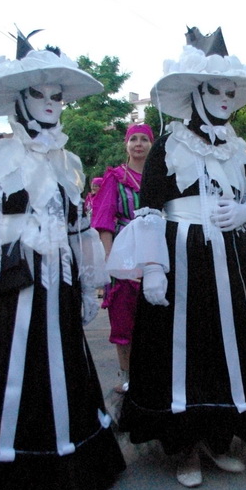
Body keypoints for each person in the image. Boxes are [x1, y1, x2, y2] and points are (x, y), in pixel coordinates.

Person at [0, 30, 125, 490]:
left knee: (58, 370)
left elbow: (78, 227)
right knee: (3, 368)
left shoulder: (68, 162)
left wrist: (87, 284)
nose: (51, 103)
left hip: (56, 287)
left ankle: (60, 470)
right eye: (39, 94)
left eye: (58, 96)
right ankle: (1, 474)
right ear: (18, 99)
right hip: (4, 286)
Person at [106, 27, 246, 488]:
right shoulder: (169, 144)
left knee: (226, 347)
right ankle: (184, 447)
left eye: (229, 93)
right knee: (184, 348)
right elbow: (149, 208)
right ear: (197, 94)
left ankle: (217, 439)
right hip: (182, 258)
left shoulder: (239, 147)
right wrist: (154, 268)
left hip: (228, 259)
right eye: (215, 91)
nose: (223, 100)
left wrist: (245, 211)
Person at [93, 123, 153, 393]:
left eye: (144, 139)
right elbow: (104, 220)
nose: (138, 144)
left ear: (151, 145)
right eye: (133, 139)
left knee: (156, 314)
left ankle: (154, 375)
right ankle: (128, 377)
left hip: (154, 252)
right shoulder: (115, 178)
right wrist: (109, 259)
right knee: (123, 315)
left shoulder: (159, 176)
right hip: (124, 253)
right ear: (126, 145)